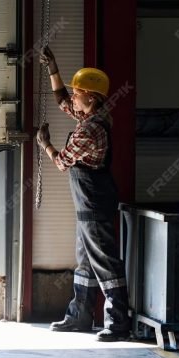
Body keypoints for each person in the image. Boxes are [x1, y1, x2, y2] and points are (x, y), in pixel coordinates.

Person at [36, 46, 130, 341]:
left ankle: (118, 323)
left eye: (78, 92)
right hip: (87, 207)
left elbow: (63, 162)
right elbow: (62, 99)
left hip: (95, 205)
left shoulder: (89, 131)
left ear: (91, 97)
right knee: (86, 262)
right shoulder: (91, 116)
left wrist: (45, 144)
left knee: (104, 262)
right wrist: (53, 67)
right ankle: (79, 315)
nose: (73, 97)